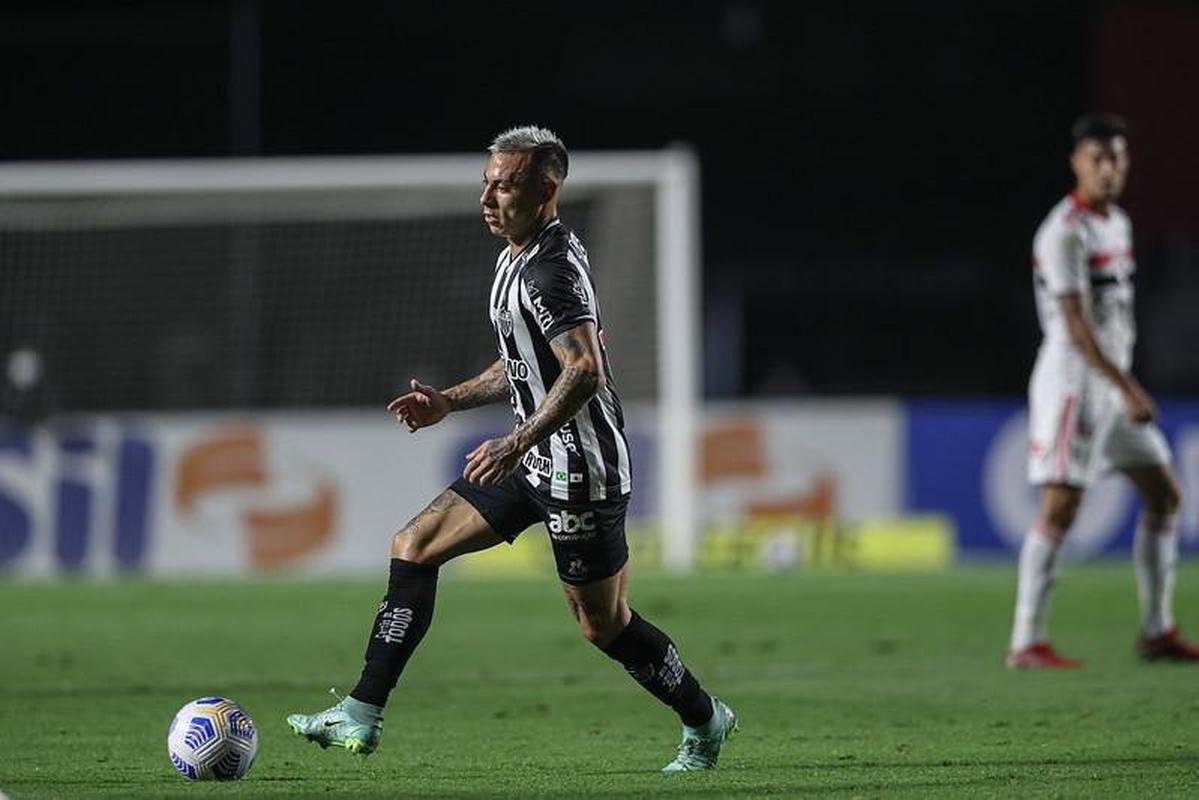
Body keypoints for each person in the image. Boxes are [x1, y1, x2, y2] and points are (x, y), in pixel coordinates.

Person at [287, 126, 737, 771]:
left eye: (505, 186)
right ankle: (361, 712)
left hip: (580, 471)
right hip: (530, 459)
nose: (487, 199)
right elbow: (522, 364)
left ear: (545, 190)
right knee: (414, 545)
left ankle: (705, 719)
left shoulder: (550, 272)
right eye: (487, 183)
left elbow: (583, 370)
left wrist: (514, 439)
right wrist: (449, 401)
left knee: (603, 625)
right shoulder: (517, 257)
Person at [1007, 113, 1198, 668]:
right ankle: (1025, 641)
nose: (1108, 168)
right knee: (1061, 506)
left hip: (1111, 387)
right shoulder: (1064, 232)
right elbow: (1077, 326)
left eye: (1116, 157)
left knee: (1165, 495)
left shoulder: (1118, 223)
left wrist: (1122, 385)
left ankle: (1157, 630)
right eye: (1098, 158)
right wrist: (1129, 388)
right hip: (1075, 384)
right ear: (1077, 163)